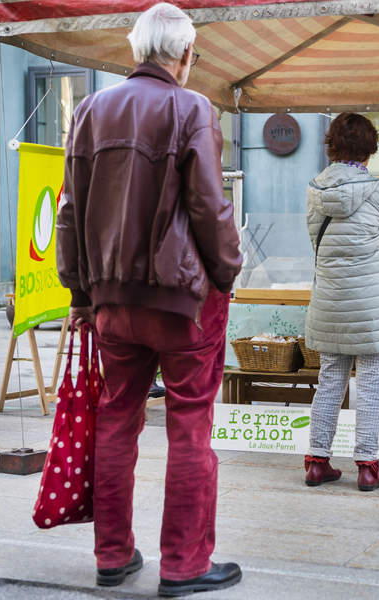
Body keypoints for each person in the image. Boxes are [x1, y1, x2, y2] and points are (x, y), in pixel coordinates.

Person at [56, 4, 243, 596]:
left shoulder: (89, 109)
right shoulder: (192, 108)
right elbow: (210, 207)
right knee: (190, 425)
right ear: (185, 53)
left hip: (110, 299)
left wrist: (79, 292)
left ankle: (112, 556)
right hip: (182, 300)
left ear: (136, 50)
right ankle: (185, 565)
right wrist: (227, 271)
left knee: (117, 419)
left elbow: (69, 209)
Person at [304, 112, 379, 492]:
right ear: (370, 149)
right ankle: (367, 468)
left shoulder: (315, 190)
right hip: (372, 308)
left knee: (329, 382)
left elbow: (317, 243)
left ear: (332, 146)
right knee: (371, 386)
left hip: (331, 302)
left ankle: (317, 463)